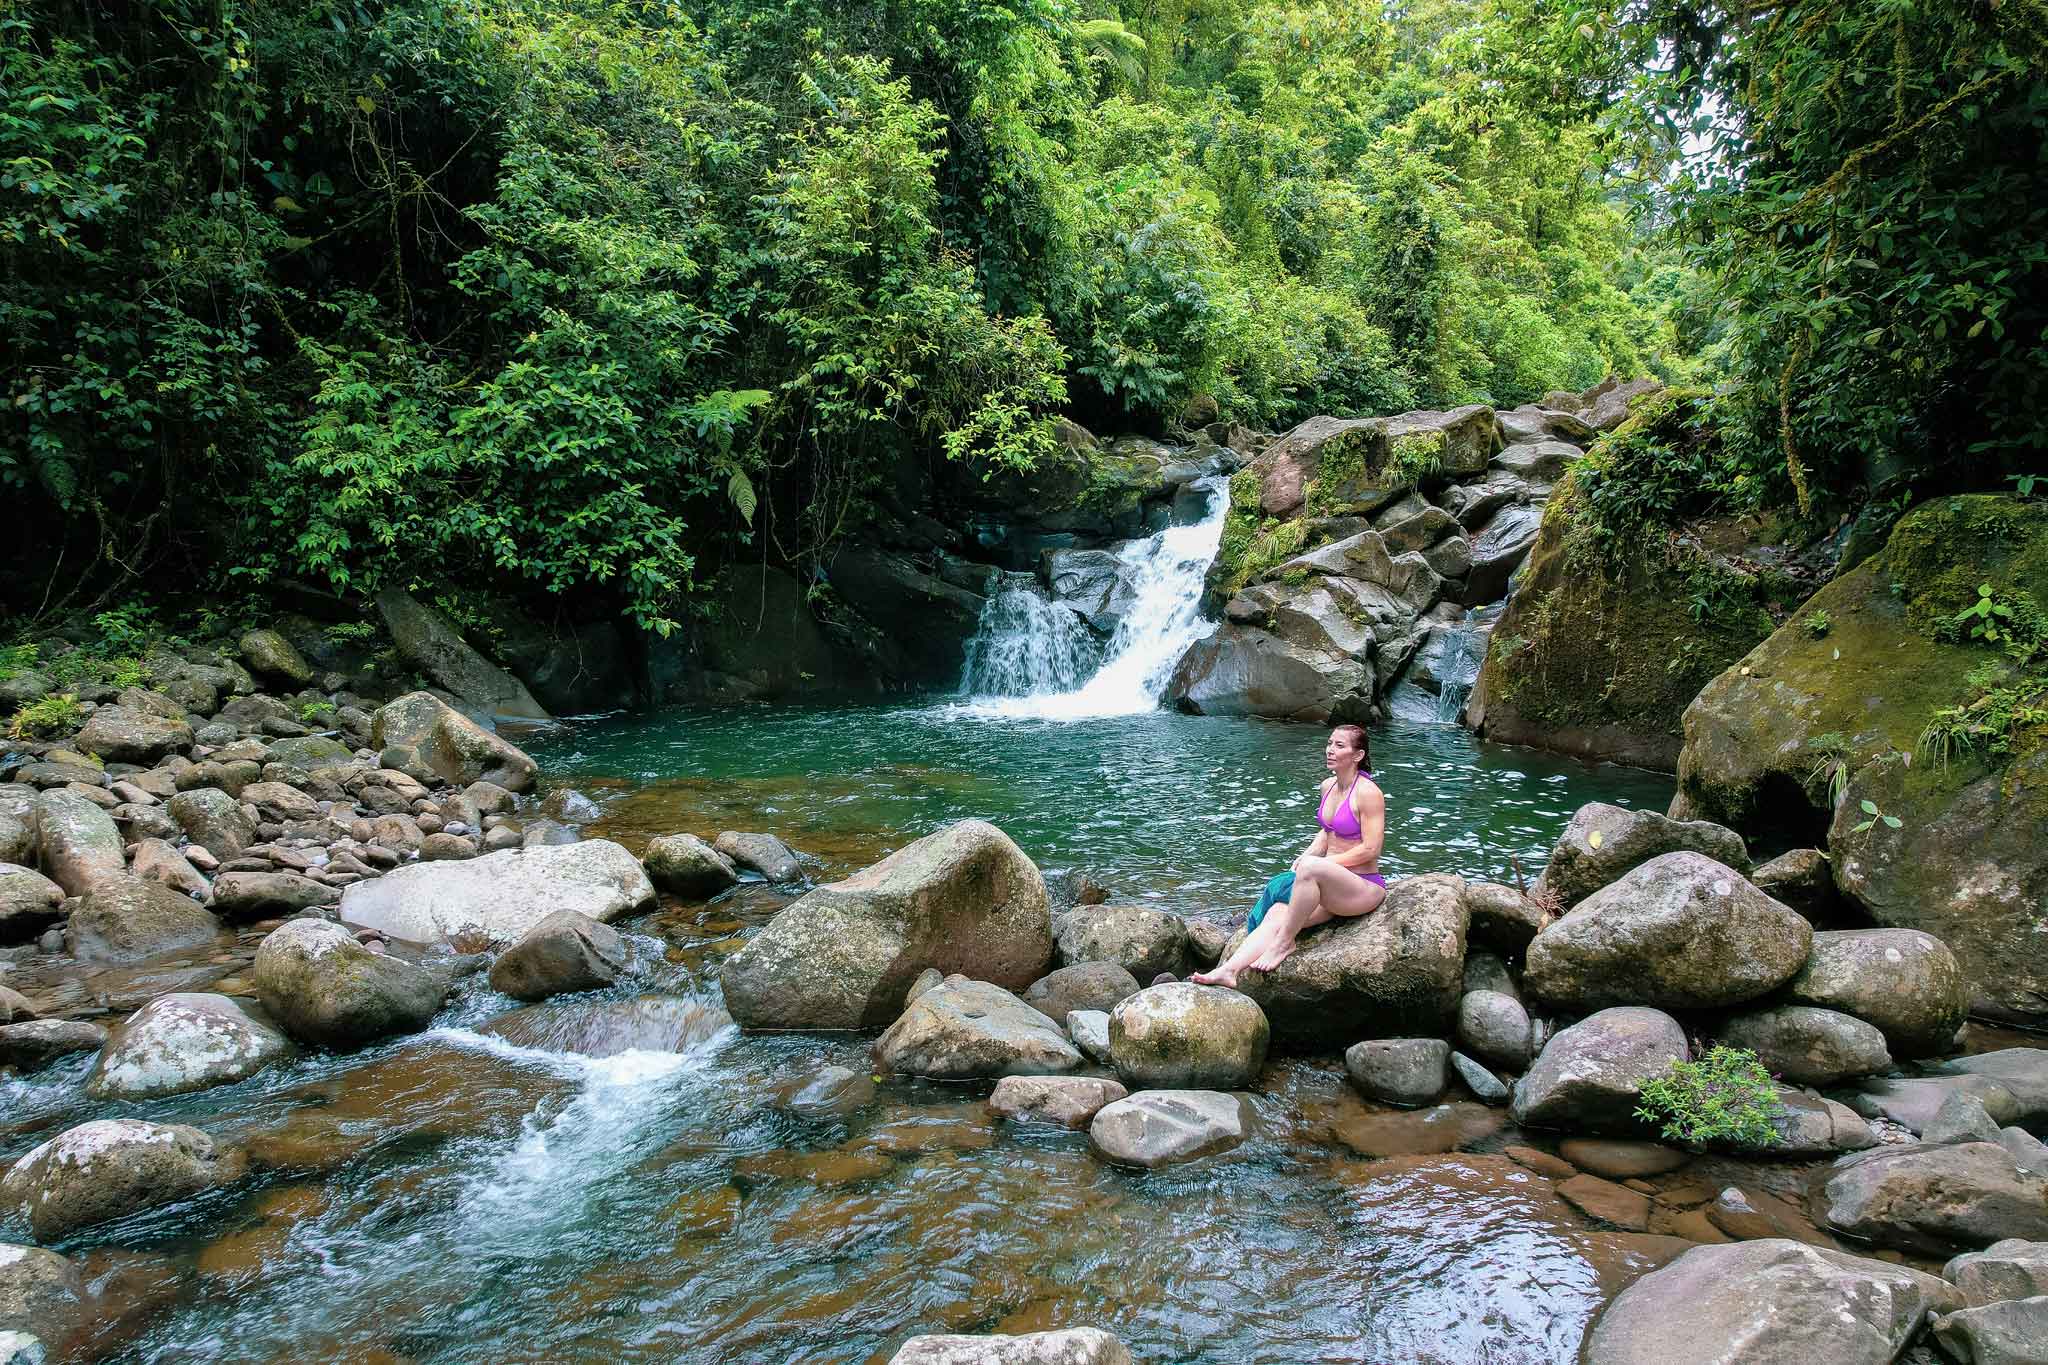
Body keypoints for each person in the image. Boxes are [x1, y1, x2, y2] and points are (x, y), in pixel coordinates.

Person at [1192, 723, 1387, 989]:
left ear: (1358, 755)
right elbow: (1327, 831)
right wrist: (1307, 854)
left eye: (1339, 745)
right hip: (1327, 889)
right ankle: (1228, 970)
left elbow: (1371, 849)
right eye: (1330, 743)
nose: (1330, 750)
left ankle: (1285, 943)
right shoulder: (1328, 786)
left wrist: (1319, 864)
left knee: (1309, 871)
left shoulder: (1368, 793)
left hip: (1361, 888)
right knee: (1275, 914)